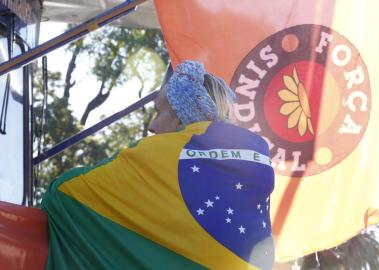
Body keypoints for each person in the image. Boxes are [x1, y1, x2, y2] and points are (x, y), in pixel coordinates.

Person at [2, 60, 275, 270]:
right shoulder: (250, 172)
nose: (152, 126)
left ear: (181, 120)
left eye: (159, 113)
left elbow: (66, 194)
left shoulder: (158, 155)